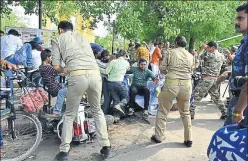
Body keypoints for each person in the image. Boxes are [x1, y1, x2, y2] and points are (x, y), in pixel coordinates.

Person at [51, 21, 110, 161]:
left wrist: (65, 70)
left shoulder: (57, 39)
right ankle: (106, 146)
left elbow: (56, 66)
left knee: (69, 114)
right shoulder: (84, 38)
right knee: (97, 110)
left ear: (60, 30)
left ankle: (64, 151)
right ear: (72, 29)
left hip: (77, 76)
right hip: (95, 75)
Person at [151, 36, 194, 147]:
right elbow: (192, 69)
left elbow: (162, 68)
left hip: (171, 83)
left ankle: (159, 136)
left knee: (162, 110)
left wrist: (169, 71)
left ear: (175, 43)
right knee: (185, 112)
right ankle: (188, 139)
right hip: (186, 85)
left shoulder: (170, 52)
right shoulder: (190, 55)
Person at [223, 2, 248, 125]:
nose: (236, 22)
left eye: (240, 18)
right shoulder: (244, 43)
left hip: (243, 105)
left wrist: (238, 110)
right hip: (239, 100)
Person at [190, 41, 227, 120]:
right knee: (216, 97)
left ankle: (190, 112)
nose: (208, 49)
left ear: (213, 47)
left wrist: (202, 48)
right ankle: (224, 112)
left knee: (197, 95)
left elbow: (197, 57)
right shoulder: (221, 55)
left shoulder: (209, 54)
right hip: (215, 78)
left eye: (209, 47)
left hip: (207, 78)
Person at [101, 49, 130, 122]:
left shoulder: (113, 62)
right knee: (126, 97)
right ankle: (119, 106)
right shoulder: (126, 63)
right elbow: (128, 69)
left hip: (110, 84)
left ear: (117, 55)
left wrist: (98, 68)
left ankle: (116, 117)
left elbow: (106, 72)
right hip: (119, 83)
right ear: (124, 55)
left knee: (115, 99)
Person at [39, 49, 67, 118]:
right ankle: (58, 112)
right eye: (51, 57)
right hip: (55, 88)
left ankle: (62, 108)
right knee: (65, 89)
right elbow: (62, 72)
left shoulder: (41, 67)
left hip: (50, 87)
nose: (51, 59)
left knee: (65, 84)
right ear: (47, 58)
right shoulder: (48, 68)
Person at [97, 50, 112, 114]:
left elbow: (106, 68)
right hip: (102, 81)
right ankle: (101, 111)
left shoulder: (111, 63)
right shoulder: (109, 63)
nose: (105, 58)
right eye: (103, 56)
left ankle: (104, 111)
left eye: (106, 56)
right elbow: (105, 67)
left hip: (107, 81)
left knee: (106, 96)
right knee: (101, 96)